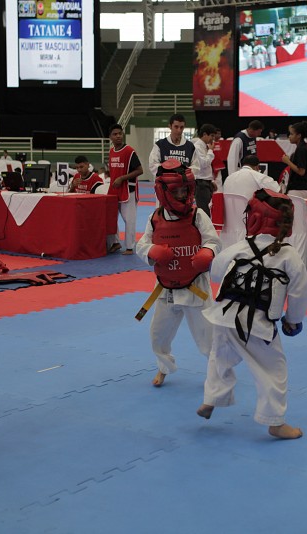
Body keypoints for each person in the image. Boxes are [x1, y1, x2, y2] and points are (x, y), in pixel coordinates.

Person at [197, 188, 307, 440]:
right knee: (273, 369)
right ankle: (275, 421)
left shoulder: (240, 246)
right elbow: (299, 293)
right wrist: (293, 321)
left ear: (255, 219)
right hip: (256, 325)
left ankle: (211, 399)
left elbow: (216, 272)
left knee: (219, 358)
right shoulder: (290, 255)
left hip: (223, 316)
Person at [135, 160, 221, 388]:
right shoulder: (155, 218)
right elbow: (140, 245)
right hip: (166, 289)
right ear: (163, 192)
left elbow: (214, 241)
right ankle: (163, 367)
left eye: (186, 190)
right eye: (177, 191)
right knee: (158, 336)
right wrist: (151, 251)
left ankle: (218, 374)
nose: (183, 196)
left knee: (208, 338)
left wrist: (208, 252)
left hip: (196, 288)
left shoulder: (197, 215)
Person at [106, 123, 143, 255]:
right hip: (114, 190)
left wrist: (122, 178)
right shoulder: (111, 152)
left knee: (129, 220)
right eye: (115, 134)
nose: (118, 136)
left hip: (128, 190)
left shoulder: (129, 151)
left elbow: (140, 170)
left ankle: (129, 247)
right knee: (110, 217)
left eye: (120, 133)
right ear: (110, 137)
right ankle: (115, 242)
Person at [148, 113, 199, 181]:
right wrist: (168, 173)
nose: (179, 130)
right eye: (176, 127)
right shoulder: (160, 145)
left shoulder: (190, 146)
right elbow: (153, 164)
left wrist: (183, 174)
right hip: (165, 184)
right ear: (170, 126)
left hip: (184, 184)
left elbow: (196, 167)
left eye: (181, 127)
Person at [283, 121, 307, 199]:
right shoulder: (304, 147)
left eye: (291, 134)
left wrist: (287, 161)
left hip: (299, 189)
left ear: (299, 135)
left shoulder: (301, 149)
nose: (289, 136)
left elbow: (301, 172)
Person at [192, 123, 218, 217]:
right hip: (201, 183)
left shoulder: (204, 146)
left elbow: (207, 167)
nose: (213, 139)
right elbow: (203, 164)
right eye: (212, 136)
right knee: (204, 212)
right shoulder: (197, 147)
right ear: (204, 134)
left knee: (208, 209)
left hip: (206, 181)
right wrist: (210, 151)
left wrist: (211, 180)